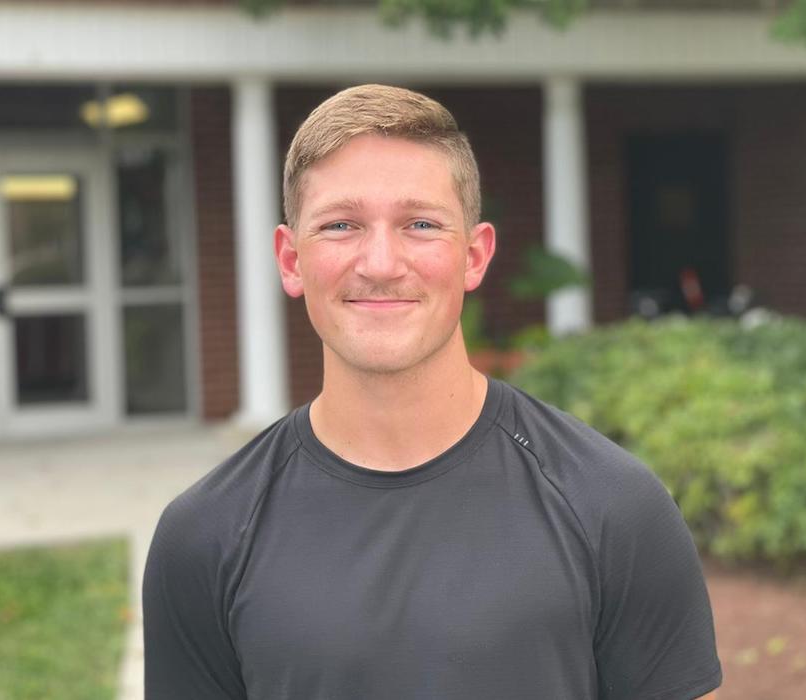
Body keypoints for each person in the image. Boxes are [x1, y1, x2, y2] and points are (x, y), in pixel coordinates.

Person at [143, 84, 722, 700]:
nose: (382, 263)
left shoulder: (613, 507)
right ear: (290, 259)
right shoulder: (205, 536)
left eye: (420, 224)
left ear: (474, 256)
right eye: (341, 225)